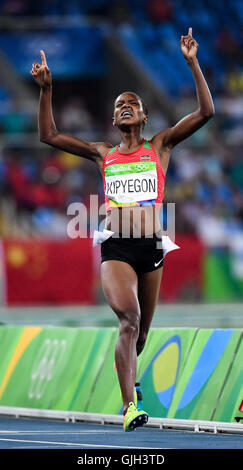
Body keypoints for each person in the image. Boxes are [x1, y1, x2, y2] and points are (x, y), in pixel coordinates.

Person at [31, 27, 214, 432]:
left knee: (142, 332)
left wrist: (192, 63)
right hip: (116, 247)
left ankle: (131, 381)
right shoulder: (103, 154)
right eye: (120, 104)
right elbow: (48, 135)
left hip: (151, 248)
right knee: (128, 320)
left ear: (145, 116)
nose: (126, 106)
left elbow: (205, 113)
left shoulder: (161, 145)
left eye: (133, 103)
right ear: (114, 119)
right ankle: (130, 407)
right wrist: (46, 90)